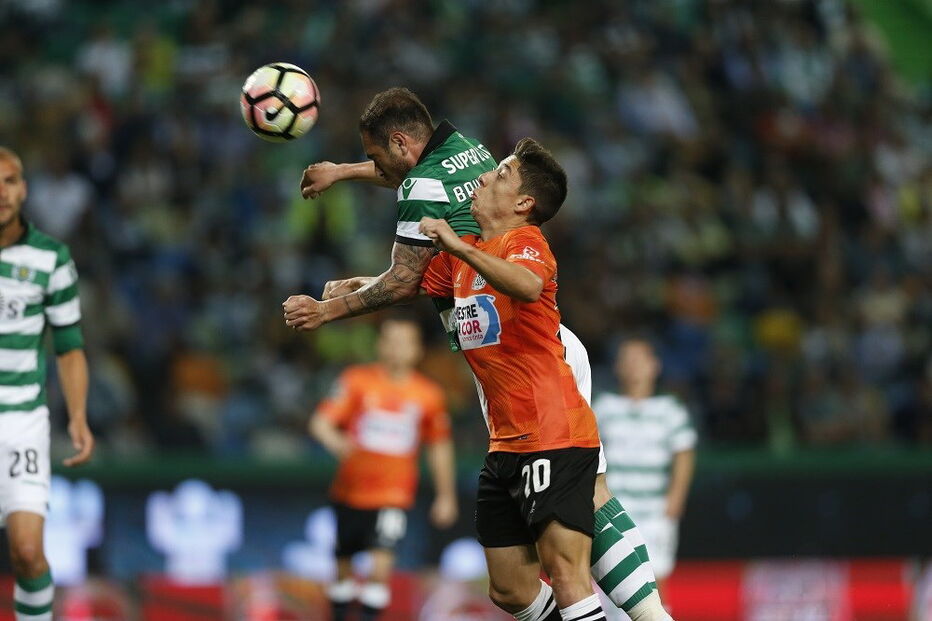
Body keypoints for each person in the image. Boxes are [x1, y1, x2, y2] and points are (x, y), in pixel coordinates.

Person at [293, 88, 665, 617]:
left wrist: (329, 311)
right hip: (505, 358)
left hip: (533, 360)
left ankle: (653, 616)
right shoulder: (467, 152)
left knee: (583, 519)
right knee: (513, 582)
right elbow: (420, 271)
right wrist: (345, 177)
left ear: (400, 144)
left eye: (375, 157)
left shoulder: (493, 227)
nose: (492, 175)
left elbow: (404, 280)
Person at [309, 318, 458, 621]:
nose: (396, 348)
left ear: (417, 350)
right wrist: (335, 440)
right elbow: (320, 422)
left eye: (404, 342)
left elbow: (439, 446)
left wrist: (446, 495)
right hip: (349, 492)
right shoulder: (356, 382)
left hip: (393, 494)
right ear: (379, 345)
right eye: (390, 340)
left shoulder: (428, 395)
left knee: (380, 568)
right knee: (343, 569)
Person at [0, 147, 94, 621]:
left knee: (28, 553)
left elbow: (69, 345)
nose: (1, 192)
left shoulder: (50, 259)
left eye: (10, 180)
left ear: (24, 189)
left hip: (21, 422)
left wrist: (77, 416)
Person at [593, 339, 697, 602]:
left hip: (655, 511)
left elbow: (684, 454)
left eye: (639, 360)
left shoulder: (670, 410)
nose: (633, 367)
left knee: (654, 580)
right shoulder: (603, 407)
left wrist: (675, 500)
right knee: (610, 582)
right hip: (612, 509)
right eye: (627, 360)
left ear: (654, 366)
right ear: (617, 367)